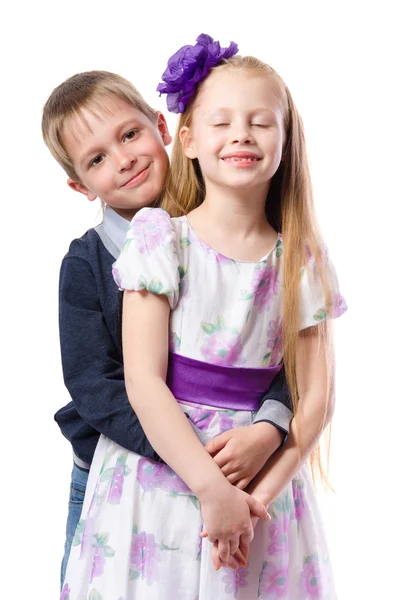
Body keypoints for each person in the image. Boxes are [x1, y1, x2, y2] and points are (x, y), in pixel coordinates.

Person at [61, 34, 347, 599]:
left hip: (256, 480)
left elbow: (313, 394)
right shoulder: (153, 240)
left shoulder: (302, 259)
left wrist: (255, 491)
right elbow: (127, 383)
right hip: (155, 468)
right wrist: (210, 486)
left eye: (260, 122)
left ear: (165, 134)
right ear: (191, 139)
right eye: (223, 122)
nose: (241, 134)